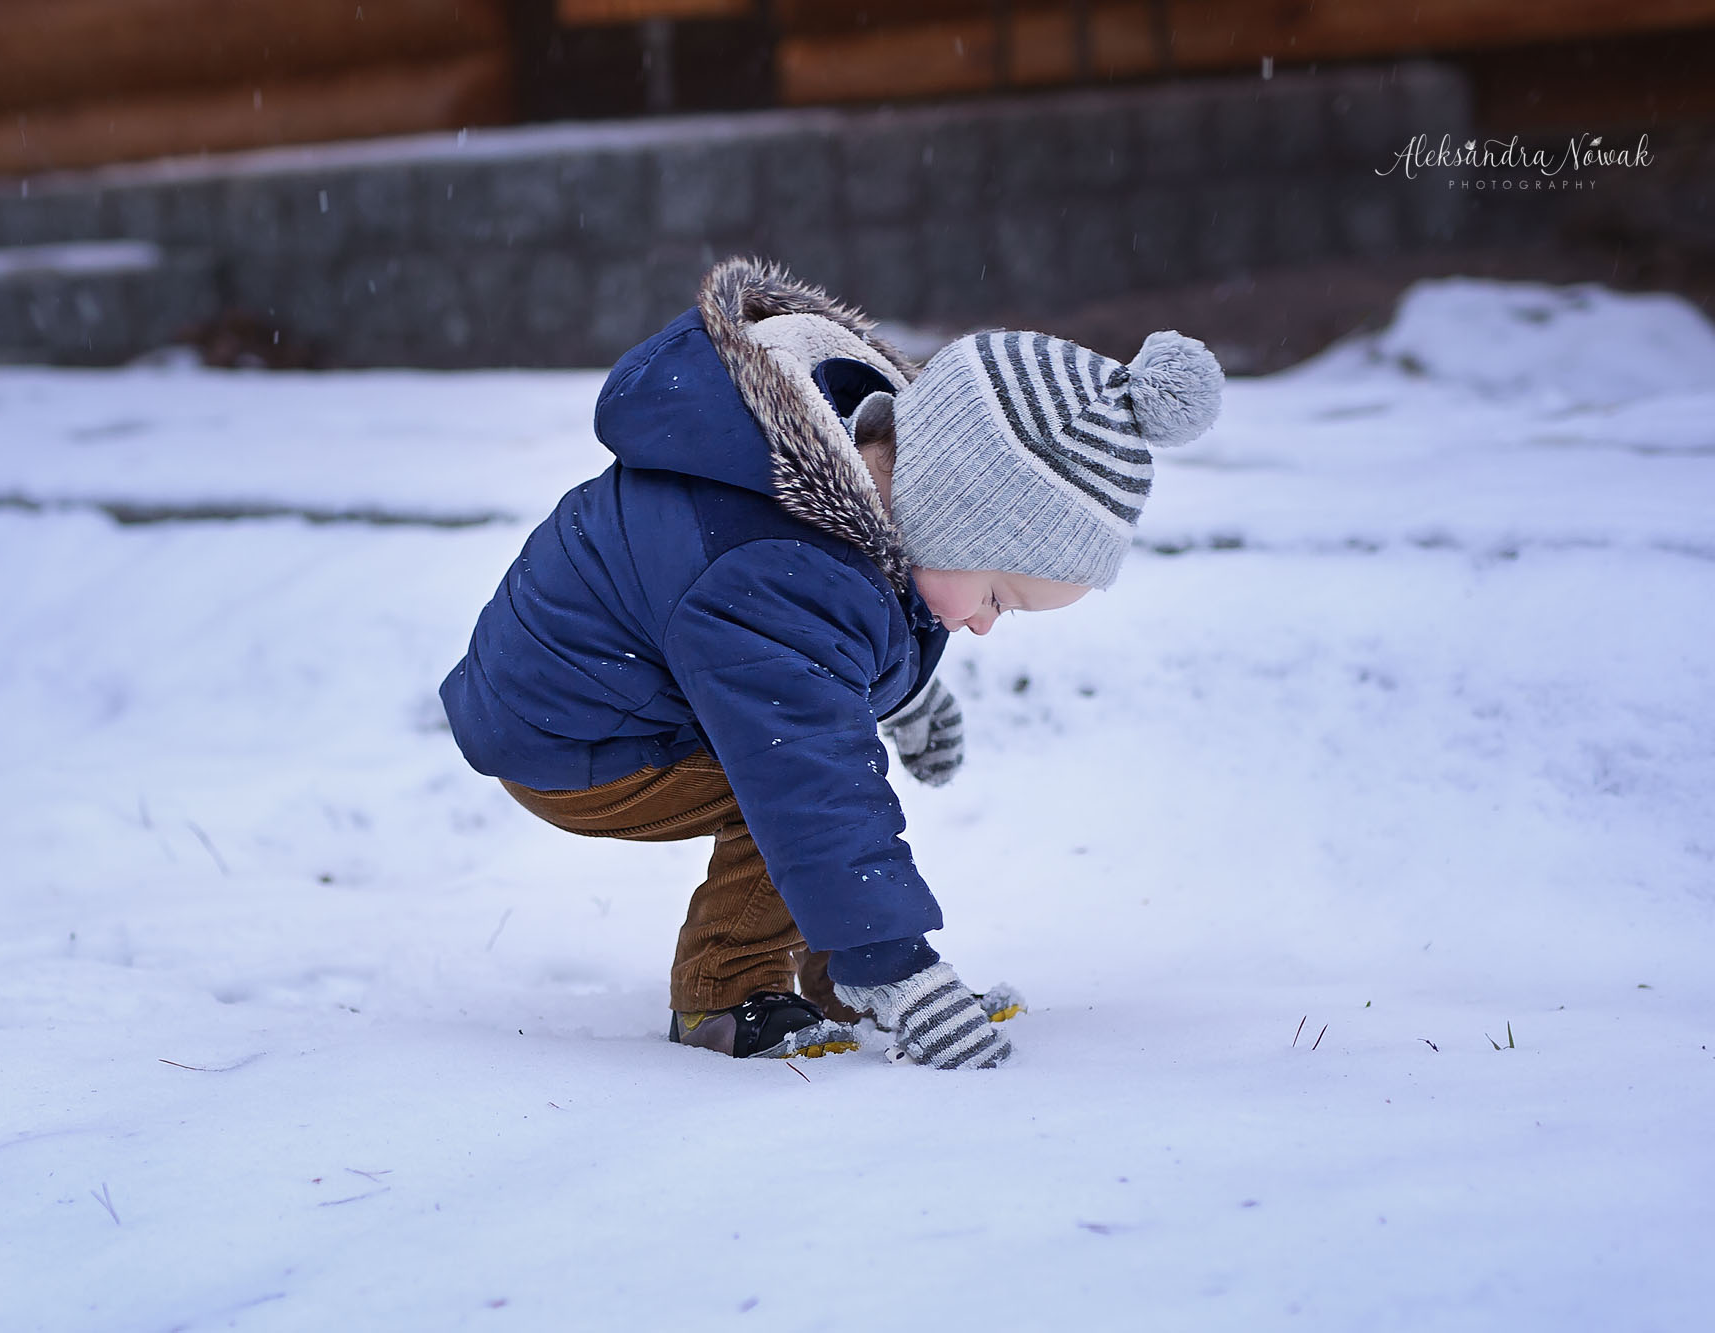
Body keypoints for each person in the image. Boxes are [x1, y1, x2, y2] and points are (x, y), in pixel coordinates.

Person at [439, 256, 1222, 1069]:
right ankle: (729, 990)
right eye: (999, 594)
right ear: (957, 514)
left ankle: (834, 977)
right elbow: (808, 765)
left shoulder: (865, 491)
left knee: (803, 755)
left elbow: (847, 635)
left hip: (626, 688)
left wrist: (909, 701)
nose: (986, 626)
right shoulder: (775, 555)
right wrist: (903, 969)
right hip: (569, 730)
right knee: (788, 779)